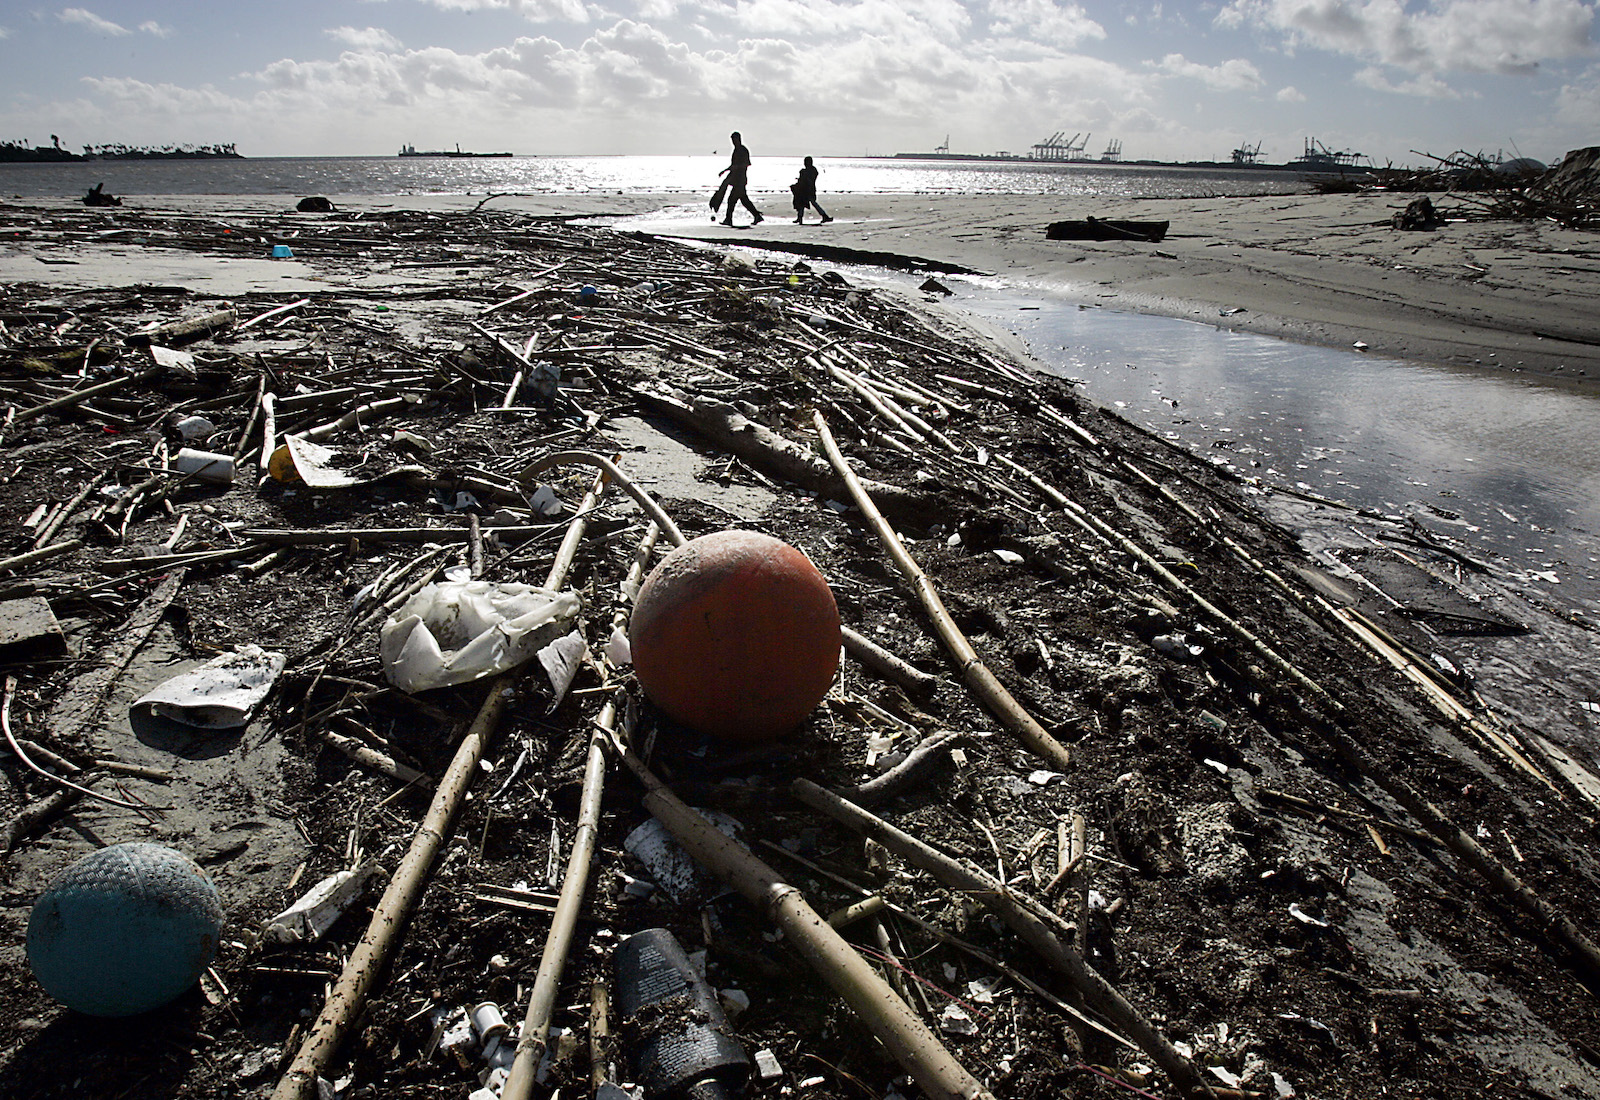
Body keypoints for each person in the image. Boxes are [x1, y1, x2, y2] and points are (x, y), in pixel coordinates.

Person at [716, 131, 763, 227]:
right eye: (732, 140)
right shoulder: (736, 150)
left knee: (732, 200)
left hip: (740, 179)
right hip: (737, 179)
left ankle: (729, 219)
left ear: (739, 139)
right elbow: (733, 165)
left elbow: (746, 164)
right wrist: (725, 171)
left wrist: (735, 168)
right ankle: (757, 216)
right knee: (744, 200)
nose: (733, 142)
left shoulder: (742, 150)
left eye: (735, 140)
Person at [790, 156, 832, 224]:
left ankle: (824, 216)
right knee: (803, 203)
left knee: (809, 203)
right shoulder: (811, 171)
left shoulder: (809, 171)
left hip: (809, 190)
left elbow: (807, 180)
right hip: (807, 189)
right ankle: (800, 217)